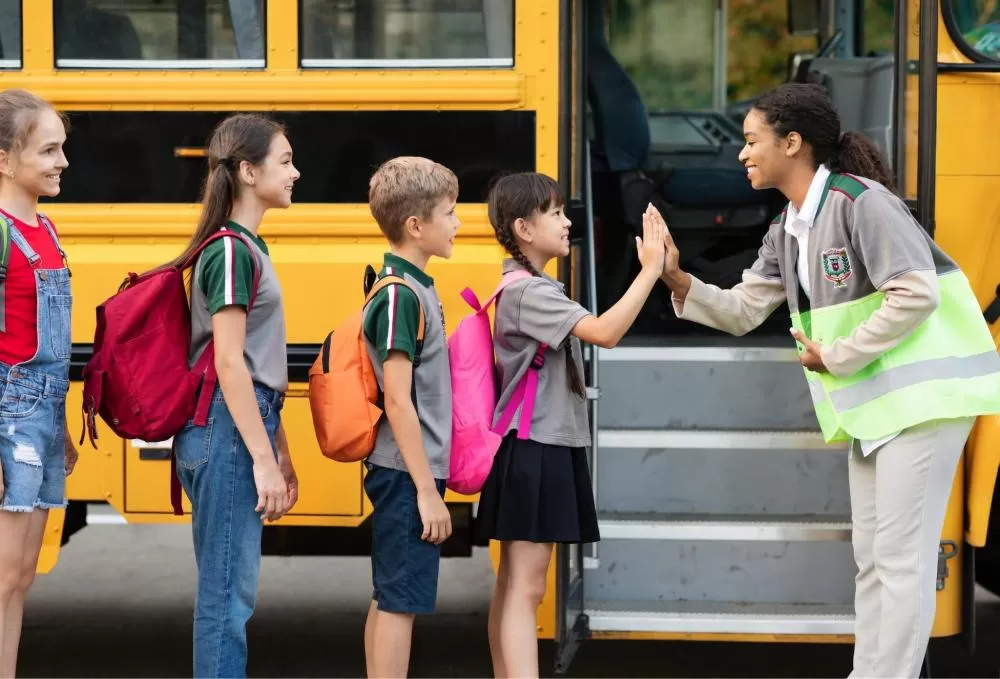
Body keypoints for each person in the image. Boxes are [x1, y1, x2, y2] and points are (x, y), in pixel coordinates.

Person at [655, 82, 1000, 678]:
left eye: (751, 141)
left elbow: (914, 292)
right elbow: (742, 310)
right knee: (873, 559)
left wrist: (837, 353)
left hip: (922, 402)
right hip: (875, 408)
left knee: (897, 561)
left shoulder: (862, 203)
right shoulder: (790, 226)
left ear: (793, 143)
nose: (742, 154)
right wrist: (676, 278)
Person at [476, 171, 665, 678]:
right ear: (523, 228)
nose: (567, 222)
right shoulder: (529, 294)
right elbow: (604, 333)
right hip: (537, 446)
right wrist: (651, 271)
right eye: (555, 213)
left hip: (529, 445)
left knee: (514, 585)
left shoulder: (526, 286)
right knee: (527, 588)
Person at [170, 113, 300, 678]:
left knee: (231, 592)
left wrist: (280, 450)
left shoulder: (245, 246)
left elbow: (256, 365)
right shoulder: (230, 253)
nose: (296, 172)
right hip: (225, 431)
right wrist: (264, 461)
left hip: (236, 426)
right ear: (248, 171)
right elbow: (229, 362)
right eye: (286, 161)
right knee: (227, 596)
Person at [362, 156, 459, 678]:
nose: (458, 223)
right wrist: (427, 491)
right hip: (406, 472)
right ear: (415, 226)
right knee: (401, 602)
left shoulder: (409, 286)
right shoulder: (401, 296)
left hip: (403, 469)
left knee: (389, 596)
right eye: (449, 212)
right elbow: (397, 400)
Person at [0, 88, 75, 679]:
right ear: (5, 160)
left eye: (61, 149)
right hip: (10, 418)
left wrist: (63, 427)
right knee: (1, 576)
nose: (61, 162)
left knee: (21, 578)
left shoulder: (45, 228)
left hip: (45, 416)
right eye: (48, 150)